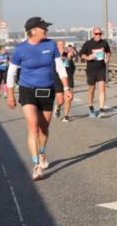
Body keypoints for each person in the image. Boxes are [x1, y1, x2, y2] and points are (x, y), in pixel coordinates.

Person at [7, 17, 72, 181]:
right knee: (33, 126)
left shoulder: (50, 45)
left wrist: (66, 88)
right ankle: (36, 164)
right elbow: (11, 72)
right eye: (44, 28)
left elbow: (59, 67)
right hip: (27, 89)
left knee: (44, 128)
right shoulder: (21, 49)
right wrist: (10, 95)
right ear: (33, 30)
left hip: (47, 89)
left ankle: (42, 153)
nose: (47, 30)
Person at [80, 27, 111, 118]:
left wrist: (107, 58)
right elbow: (81, 54)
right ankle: (90, 106)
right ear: (93, 34)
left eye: (100, 33)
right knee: (91, 89)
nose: (98, 35)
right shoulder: (88, 43)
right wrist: (88, 57)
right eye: (96, 34)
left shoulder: (104, 43)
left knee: (102, 88)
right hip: (91, 69)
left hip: (101, 68)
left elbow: (108, 52)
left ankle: (101, 109)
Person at [55, 44, 77, 122]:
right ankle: (58, 107)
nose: (61, 46)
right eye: (59, 45)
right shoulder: (53, 54)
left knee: (69, 97)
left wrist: (70, 58)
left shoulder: (68, 53)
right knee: (61, 100)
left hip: (68, 77)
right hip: (57, 78)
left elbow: (72, 67)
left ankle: (66, 116)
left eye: (62, 44)